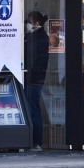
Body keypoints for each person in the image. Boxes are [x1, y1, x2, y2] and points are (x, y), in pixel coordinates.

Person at [24, 11, 49, 152]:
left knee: (33, 109)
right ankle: (34, 140)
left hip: (34, 79)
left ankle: (37, 141)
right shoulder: (33, 36)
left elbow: (38, 60)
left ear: (37, 23)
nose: (27, 24)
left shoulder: (40, 38)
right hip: (32, 77)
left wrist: (33, 73)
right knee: (31, 109)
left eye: (29, 21)